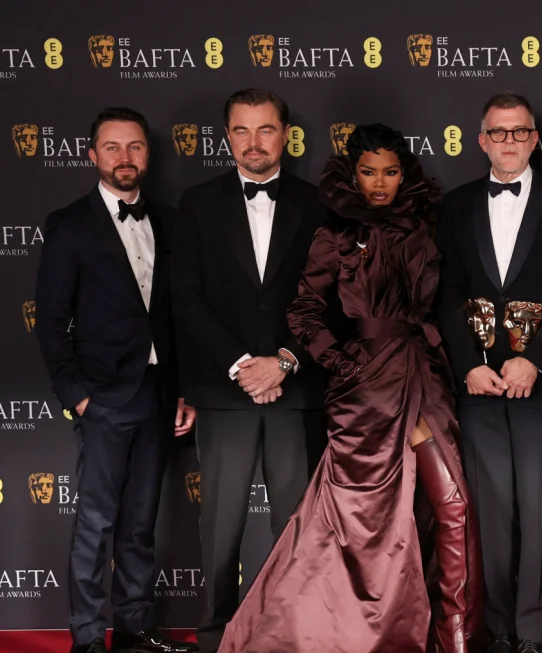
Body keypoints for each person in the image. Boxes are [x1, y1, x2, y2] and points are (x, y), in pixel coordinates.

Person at [216, 124, 482, 653]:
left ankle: (457, 640)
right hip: (365, 392)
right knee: (366, 525)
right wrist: (341, 363)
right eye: (368, 172)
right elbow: (306, 312)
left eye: (389, 172)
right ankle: (354, 633)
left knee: (452, 507)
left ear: (403, 173)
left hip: (424, 377)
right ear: (351, 174)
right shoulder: (335, 234)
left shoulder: (428, 226)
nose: (379, 184)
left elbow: (444, 301)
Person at [35, 107, 198, 653]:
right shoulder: (69, 224)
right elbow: (51, 319)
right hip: (102, 398)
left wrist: (182, 390)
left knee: (139, 523)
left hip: (156, 396)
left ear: (147, 155)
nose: (125, 158)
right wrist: (75, 395)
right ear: (92, 155)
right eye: (112, 147)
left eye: (134, 147)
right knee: (96, 524)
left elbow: (177, 318)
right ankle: (85, 638)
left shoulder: (170, 221)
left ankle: (132, 629)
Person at [172, 88, 328, 653]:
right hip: (225, 389)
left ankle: (293, 633)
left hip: (296, 390)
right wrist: (243, 366)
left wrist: (283, 361)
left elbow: (331, 299)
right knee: (219, 528)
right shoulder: (197, 203)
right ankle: (216, 636)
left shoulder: (318, 205)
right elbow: (186, 299)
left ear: (285, 134)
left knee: (296, 525)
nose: (254, 142)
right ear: (227, 136)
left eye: (265, 129)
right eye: (242, 130)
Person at [436, 92, 542, 653]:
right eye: (498, 132)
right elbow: (446, 293)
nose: (508, 141)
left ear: (534, 139)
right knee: (491, 519)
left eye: (519, 132)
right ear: (481, 140)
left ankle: (531, 631)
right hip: (479, 390)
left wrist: (535, 358)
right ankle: (497, 628)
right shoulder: (453, 207)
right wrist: (470, 367)